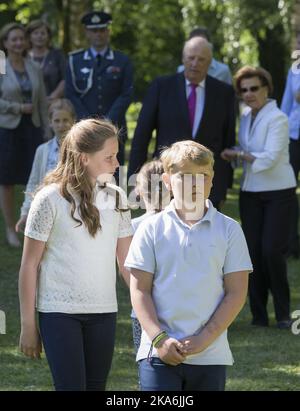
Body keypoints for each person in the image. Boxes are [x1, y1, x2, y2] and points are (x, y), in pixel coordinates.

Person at [125, 140, 252, 391]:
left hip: (210, 354)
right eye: (185, 176)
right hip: (157, 353)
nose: (195, 183)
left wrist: (204, 338)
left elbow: (236, 292)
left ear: (213, 178)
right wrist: (160, 340)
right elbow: (139, 290)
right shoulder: (151, 228)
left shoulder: (229, 229)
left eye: (202, 176)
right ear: (167, 180)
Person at [18, 118, 133, 391]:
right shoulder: (48, 199)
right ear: (83, 158)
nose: (117, 164)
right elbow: (29, 265)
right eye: (109, 157)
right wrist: (28, 325)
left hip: (104, 312)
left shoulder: (117, 198)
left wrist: (149, 306)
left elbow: (127, 264)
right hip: (59, 313)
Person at [222, 66, 296, 329]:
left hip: (279, 193)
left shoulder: (278, 118)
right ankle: (259, 316)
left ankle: (284, 314)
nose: (249, 94)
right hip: (250, 192)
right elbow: (251, 150)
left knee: (271, 252)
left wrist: (238, 155)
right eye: (244, 90)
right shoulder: (245, 114)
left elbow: (270, 157)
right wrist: (238, 152)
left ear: (267, 88)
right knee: (251, 253)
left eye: (254, 88)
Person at [128, 36, 235, 209]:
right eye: (191, 58)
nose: (195, 63)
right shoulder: (161, 87)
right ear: (183, 59)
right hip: (167, 179)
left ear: (210, 63)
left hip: (206, 183)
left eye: (201, 59)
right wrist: (135, 178)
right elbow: (142, 134)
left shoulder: (224, 93)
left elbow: (227, 142)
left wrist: (223, 186)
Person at [0, 23, 49, 248]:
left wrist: (47, 132)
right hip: (8, 129)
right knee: (7, 180)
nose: (18, 43)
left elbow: (41, 101)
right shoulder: (1, 63)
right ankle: (11, 229)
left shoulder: (33, 66)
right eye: (13, 39)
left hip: (33, 128)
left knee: (39, 179)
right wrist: (17, 108)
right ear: (5, 42)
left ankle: (35, 225)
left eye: (21, 39)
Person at [65, 11, 133, 166]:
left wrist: (107, 121)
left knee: (114, 176)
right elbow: (70, 93)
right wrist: (89, 122)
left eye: (102, 30)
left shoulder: (122, 60)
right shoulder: (74, 61)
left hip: (114, 128)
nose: (98, 34)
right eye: (94, 30)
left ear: (108, 31)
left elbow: (126, 94)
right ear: (86, 32)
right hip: (85, 129)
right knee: (85, 173)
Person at [15, 98, 76, 233]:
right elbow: (33, 183)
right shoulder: (42, 151)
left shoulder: (81, 151)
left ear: (73, 121)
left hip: (72, 210)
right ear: (50, 123)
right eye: (57, 121)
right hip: (46, 208)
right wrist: (25, 212)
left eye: (65, 120)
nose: (61, 125)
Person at [130, 159, 170, 355]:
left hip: (142, 312)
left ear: (139, 190)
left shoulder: (132, 227)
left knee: (147, 368)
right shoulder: (182, 225)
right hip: (179, 308)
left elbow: (127, 272)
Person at [280, 31, 300, 258]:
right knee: (288, 190)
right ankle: (292, 243)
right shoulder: (294, 71)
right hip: (294, 137)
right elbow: (287, 103)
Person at [26, 20, 66, 103]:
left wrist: (53, 96)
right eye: (36, 33)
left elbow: (65, 78)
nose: (39, 36)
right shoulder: (23, 56)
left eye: (43, 33)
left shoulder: (57, 55)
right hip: (28, 104)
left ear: (48, 36)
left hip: (53, 103)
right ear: (29, 36)